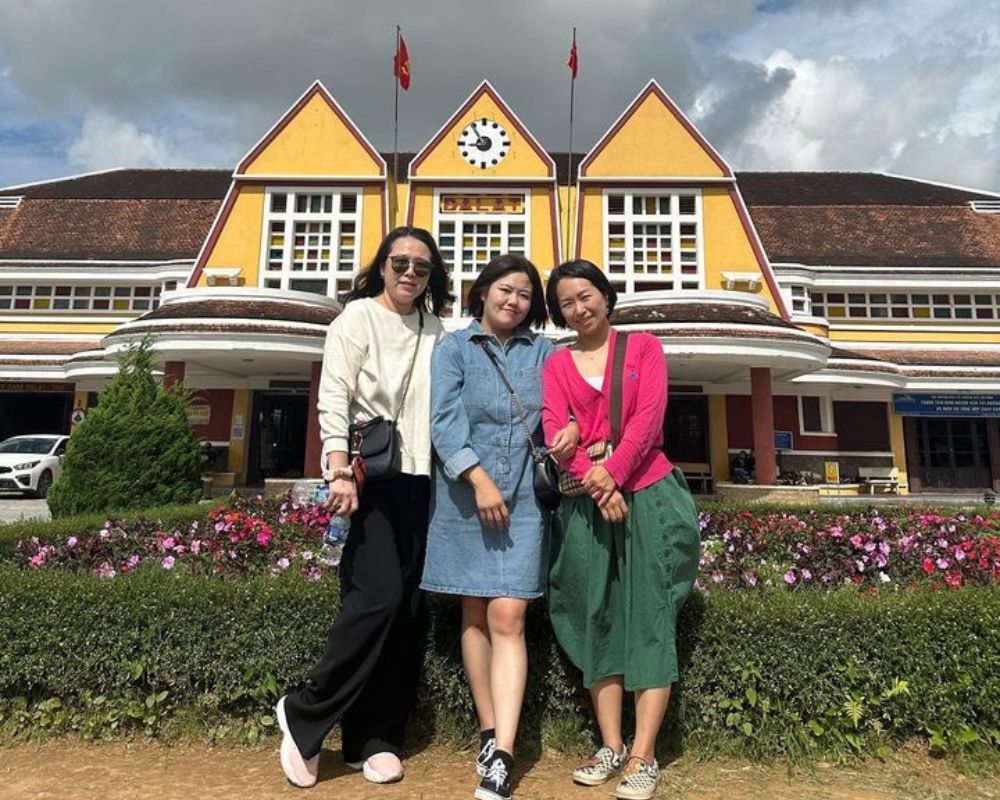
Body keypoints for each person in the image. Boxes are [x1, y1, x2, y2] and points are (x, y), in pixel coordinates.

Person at [275, 226, 451, 789]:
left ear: (432, 277)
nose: (409, 273)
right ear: (382, 266)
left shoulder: (439, 329)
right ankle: (304, 710)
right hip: (367, 477)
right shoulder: (355, 319)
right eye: (399, 262)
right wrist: (333, 468)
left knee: (406, 614)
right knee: (376, 599)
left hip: (425, 482)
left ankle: (373, 737)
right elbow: (335, 394)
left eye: (421, 267)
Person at [541, 260, 700, 800]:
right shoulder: (557, 363)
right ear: (557, 312)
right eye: (566, 302)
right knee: (597, 614)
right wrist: (596, 482)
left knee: (650, 614)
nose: (579, 308)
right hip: (589, 505)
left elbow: (648, 421)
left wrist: (610, 475)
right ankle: (610, 744)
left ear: (606, 297)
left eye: (586, 296)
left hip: (648, 495)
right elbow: (552, 426)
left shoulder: (644, 349)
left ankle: (643, 753)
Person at [421, 254, 577, 800]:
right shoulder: (454, 348)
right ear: (482, 291)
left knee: (507, 613)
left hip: (525, 496)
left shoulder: (546, 353)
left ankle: (503, 755)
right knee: (473, 608)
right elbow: (443, 420)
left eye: (525, 295)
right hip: (467, 492)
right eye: (505, 290)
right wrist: (478, 479)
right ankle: (488, 732)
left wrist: (571, 431)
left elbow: (566, 408)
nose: (514, 301)